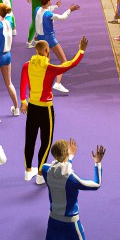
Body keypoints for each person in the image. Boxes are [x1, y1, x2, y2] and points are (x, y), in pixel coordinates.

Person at [20, 36, 86, 181]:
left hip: (32, 106)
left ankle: (27, 170)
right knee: (46, 142)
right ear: (46, 51)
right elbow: (69, 65)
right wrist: (80, 51)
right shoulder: (49, 68)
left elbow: (23, 83)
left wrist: (23, 100)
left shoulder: (27, 65)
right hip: (45, 109)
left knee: (29, 139)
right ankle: (40, 174)